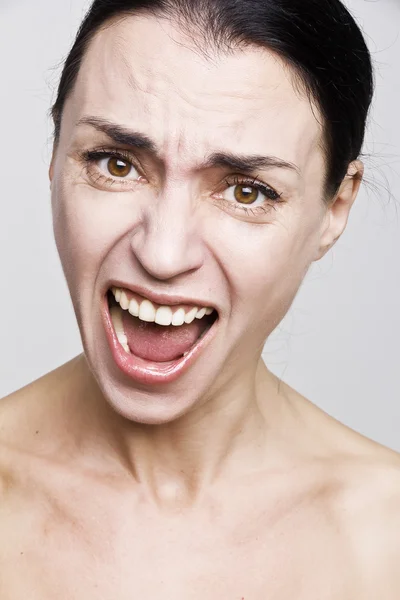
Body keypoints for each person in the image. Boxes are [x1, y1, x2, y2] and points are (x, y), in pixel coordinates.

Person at [1, 0, 399, 596]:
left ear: (333, 210)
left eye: (246, 192)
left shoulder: (385, 533)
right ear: (55, 155)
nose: (162, 255)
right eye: (116, 163)